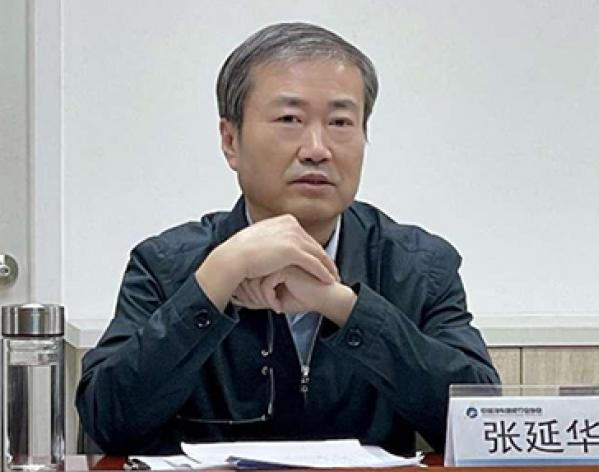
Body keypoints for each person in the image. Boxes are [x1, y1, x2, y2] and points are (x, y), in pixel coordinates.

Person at [76, 22, 499, 456]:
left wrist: (341, 305)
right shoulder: (165, 264)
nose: (317, 148)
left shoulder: (418, 266)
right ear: (230, 141)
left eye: (340, 122)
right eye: (289, 120)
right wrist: (214, 282)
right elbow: (108, 422)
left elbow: (480, 425)